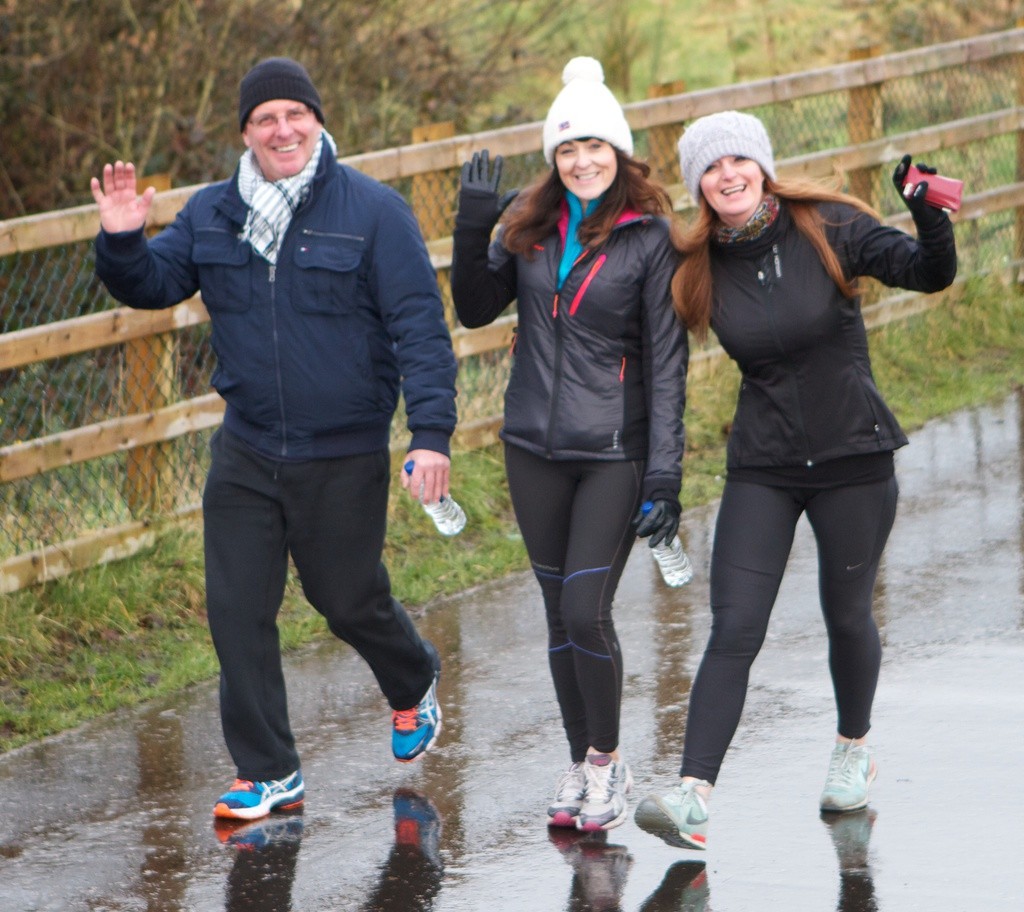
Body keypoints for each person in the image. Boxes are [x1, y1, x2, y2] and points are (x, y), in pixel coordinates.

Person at [91, 57, 457, 821]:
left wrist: (431, 433)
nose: (282, 129)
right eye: (265, 119)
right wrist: (124, 241)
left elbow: (419, 329)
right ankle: (269, 771)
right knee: (235, 609)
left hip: (344, 449)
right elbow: (154, 286)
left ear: (318, 121)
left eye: (295, 114)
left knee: (346, 597)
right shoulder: (212, 212)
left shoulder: (374, 212)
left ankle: (412, 678)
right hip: (249, 448)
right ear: (246, 132)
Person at [634, 110, 957, 849]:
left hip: (853, 456)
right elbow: (653, 356)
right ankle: (692, 795)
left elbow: (930, 273)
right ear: (698, 186)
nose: (728, 176)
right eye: (711, 169)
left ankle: (851, 749)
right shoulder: (697, 265)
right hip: (764, 464)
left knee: (846, 612)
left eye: (739, 161)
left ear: (762, 165)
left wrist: (928, 216)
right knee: (735, 626)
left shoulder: (829, 226)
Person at [450, 57, 688, 832]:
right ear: (552, 159)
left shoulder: (650, 239)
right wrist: (472, 224)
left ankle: (608, 767)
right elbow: (476, 309)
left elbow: (668, 361)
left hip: (614, 453)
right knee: (558, 616)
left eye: (594, 146)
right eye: (566, 149)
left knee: (587, 610)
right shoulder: (526, 228)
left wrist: (665, 475)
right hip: (531, 448)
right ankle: (579, 761)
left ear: (618, 151)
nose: (581, 161)